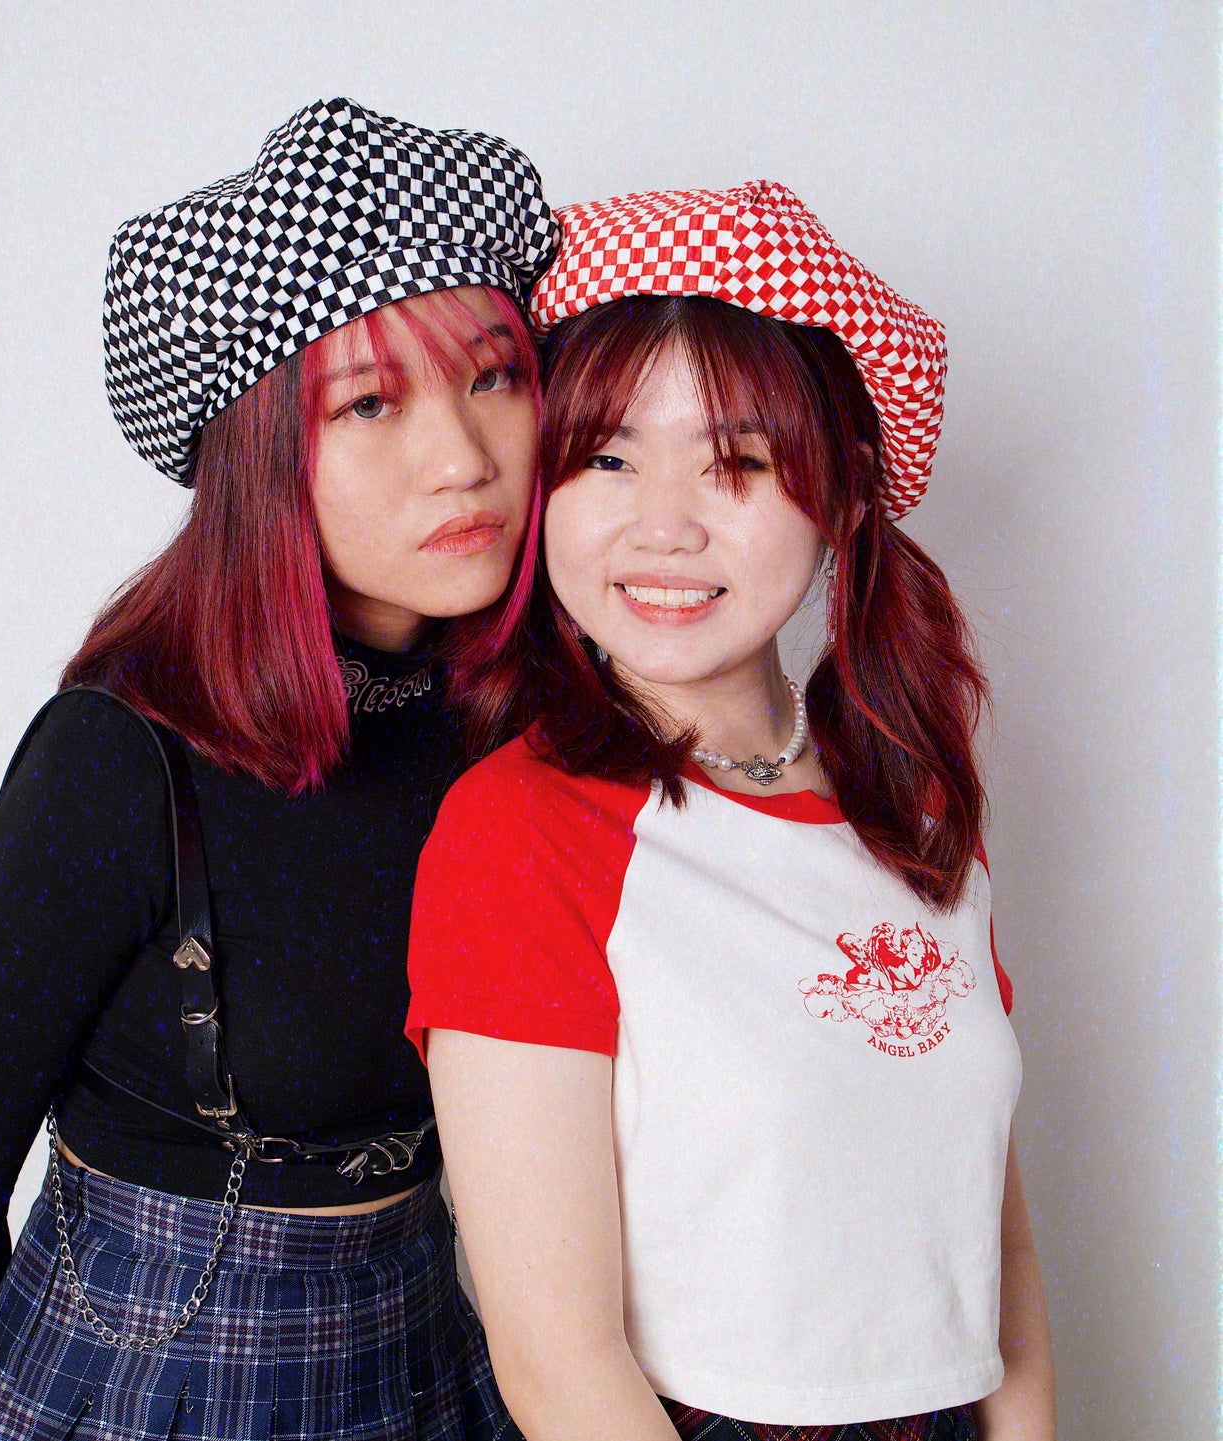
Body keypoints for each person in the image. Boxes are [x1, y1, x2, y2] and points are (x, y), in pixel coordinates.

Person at [0, 97, 557, 1441]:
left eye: (493, 377)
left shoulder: (510, 726)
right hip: (158, 1386)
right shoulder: (121, 757)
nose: (462, 459)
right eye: (371, 402)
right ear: (258, 455)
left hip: (435, 1362)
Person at [406, 185, 1056, 1441]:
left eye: (736, 464)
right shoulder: (524, 831)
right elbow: (556, 1361)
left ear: (840, 500)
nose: (662, 526)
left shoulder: (914, 802)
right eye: (606, 459)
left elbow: (992, 1246)